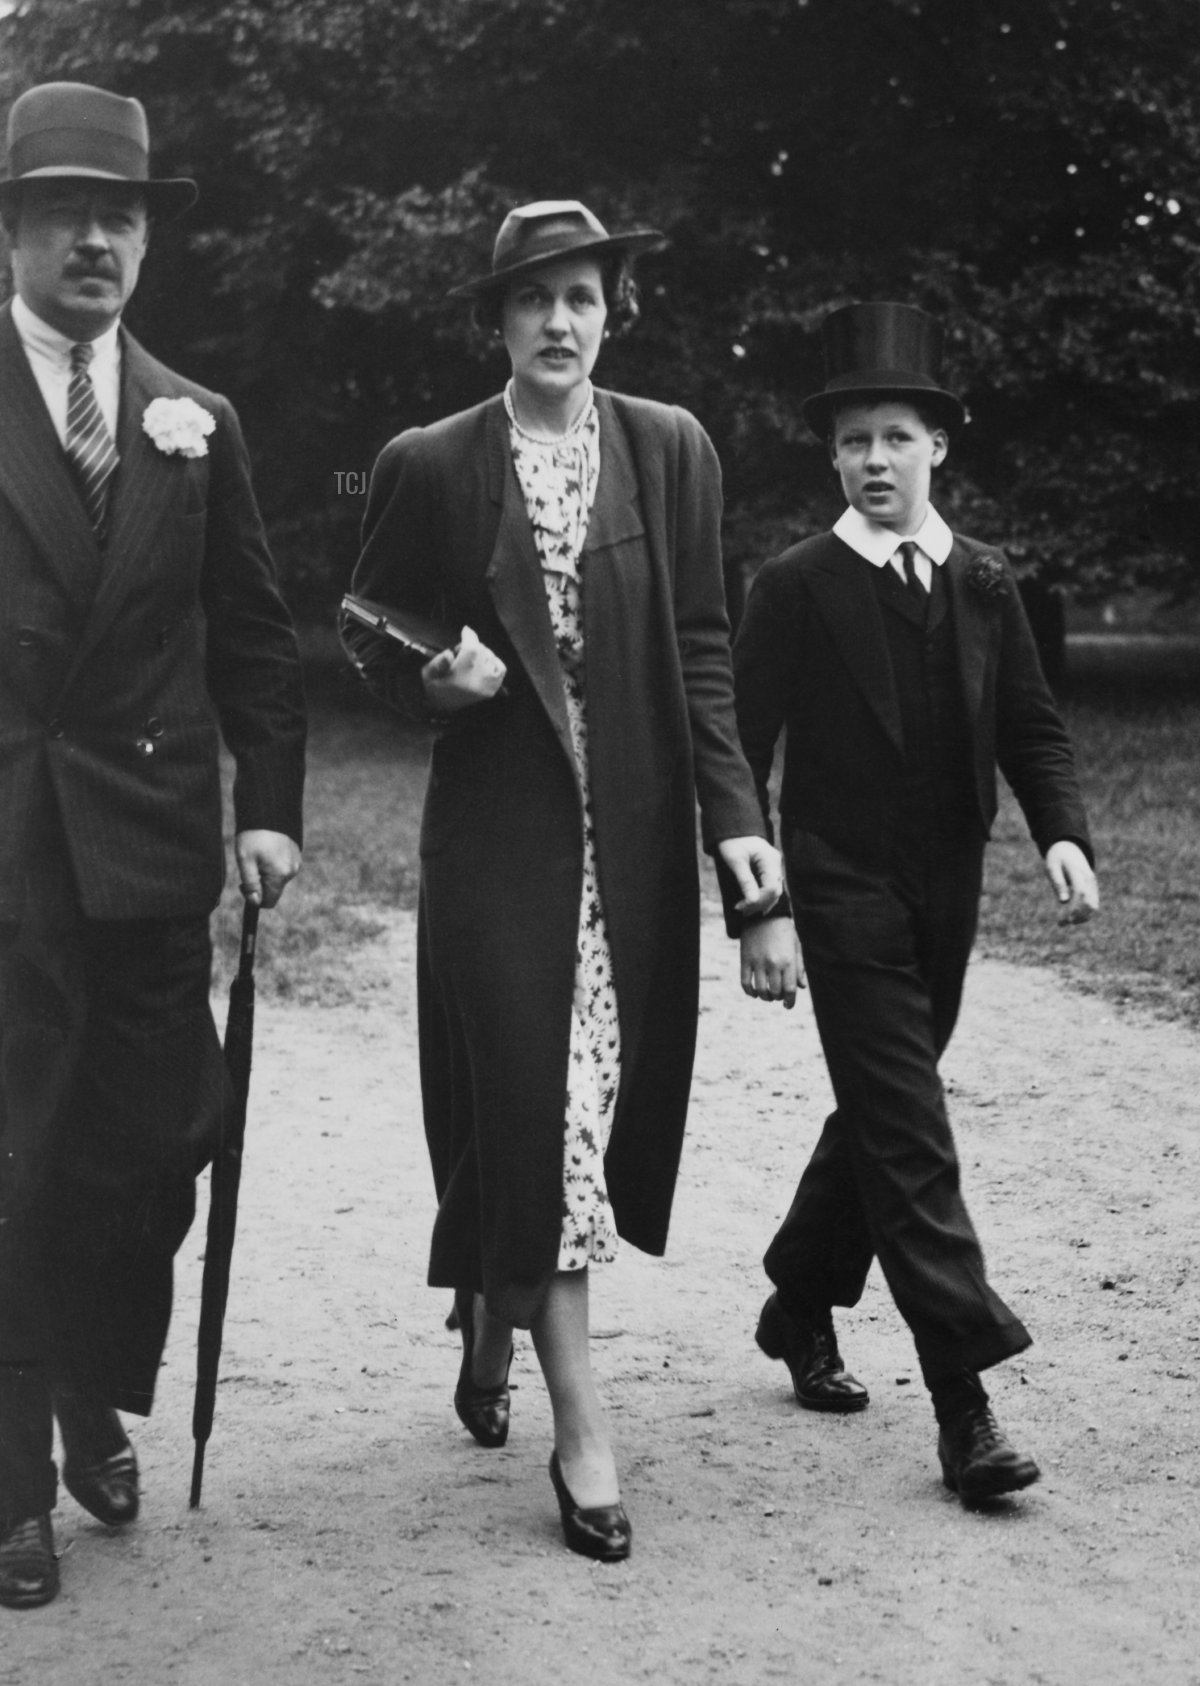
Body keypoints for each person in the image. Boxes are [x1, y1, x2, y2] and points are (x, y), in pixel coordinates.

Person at [343, 200, 781, 1560]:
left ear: (613, 310)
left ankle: (493, 1302)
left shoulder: (671, 449)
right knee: (537, 1107)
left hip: (634, 841)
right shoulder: (432, 460)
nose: (558, 321)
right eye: (532, 299)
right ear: (497, 320)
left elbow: (703, 647)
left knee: (585, 1106)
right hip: (497, 843)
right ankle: (582, 1423)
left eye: (580, 296)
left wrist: (738, 822)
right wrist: (432, 671)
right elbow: (364, 614)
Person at [0, 82, 306, 1606]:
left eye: (121, 214)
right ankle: (9, 1477)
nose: (99, 238)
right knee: (14, 1152)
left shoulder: (200, 421)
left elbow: (257, 636)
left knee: (157, 1143)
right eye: (68, 211)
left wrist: (269, 809)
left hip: (152, 846)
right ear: (14, 228)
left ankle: (81, 1380)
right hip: (3, 853)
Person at [731, 302, 1098, 1504]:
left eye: (895, 435)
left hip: (947, 890)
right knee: (912, 1133)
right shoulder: (793, 585)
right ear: (831, 456)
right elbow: (737, 751)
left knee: (886, 1115)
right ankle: (967, 1408)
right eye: (852, 441)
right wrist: (762, 908)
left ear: (939, 445)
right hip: (836, 887)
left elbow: (1033, 729)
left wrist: (1062, 837)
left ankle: (798, 1300)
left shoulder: (988, 582)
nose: (874, 460)